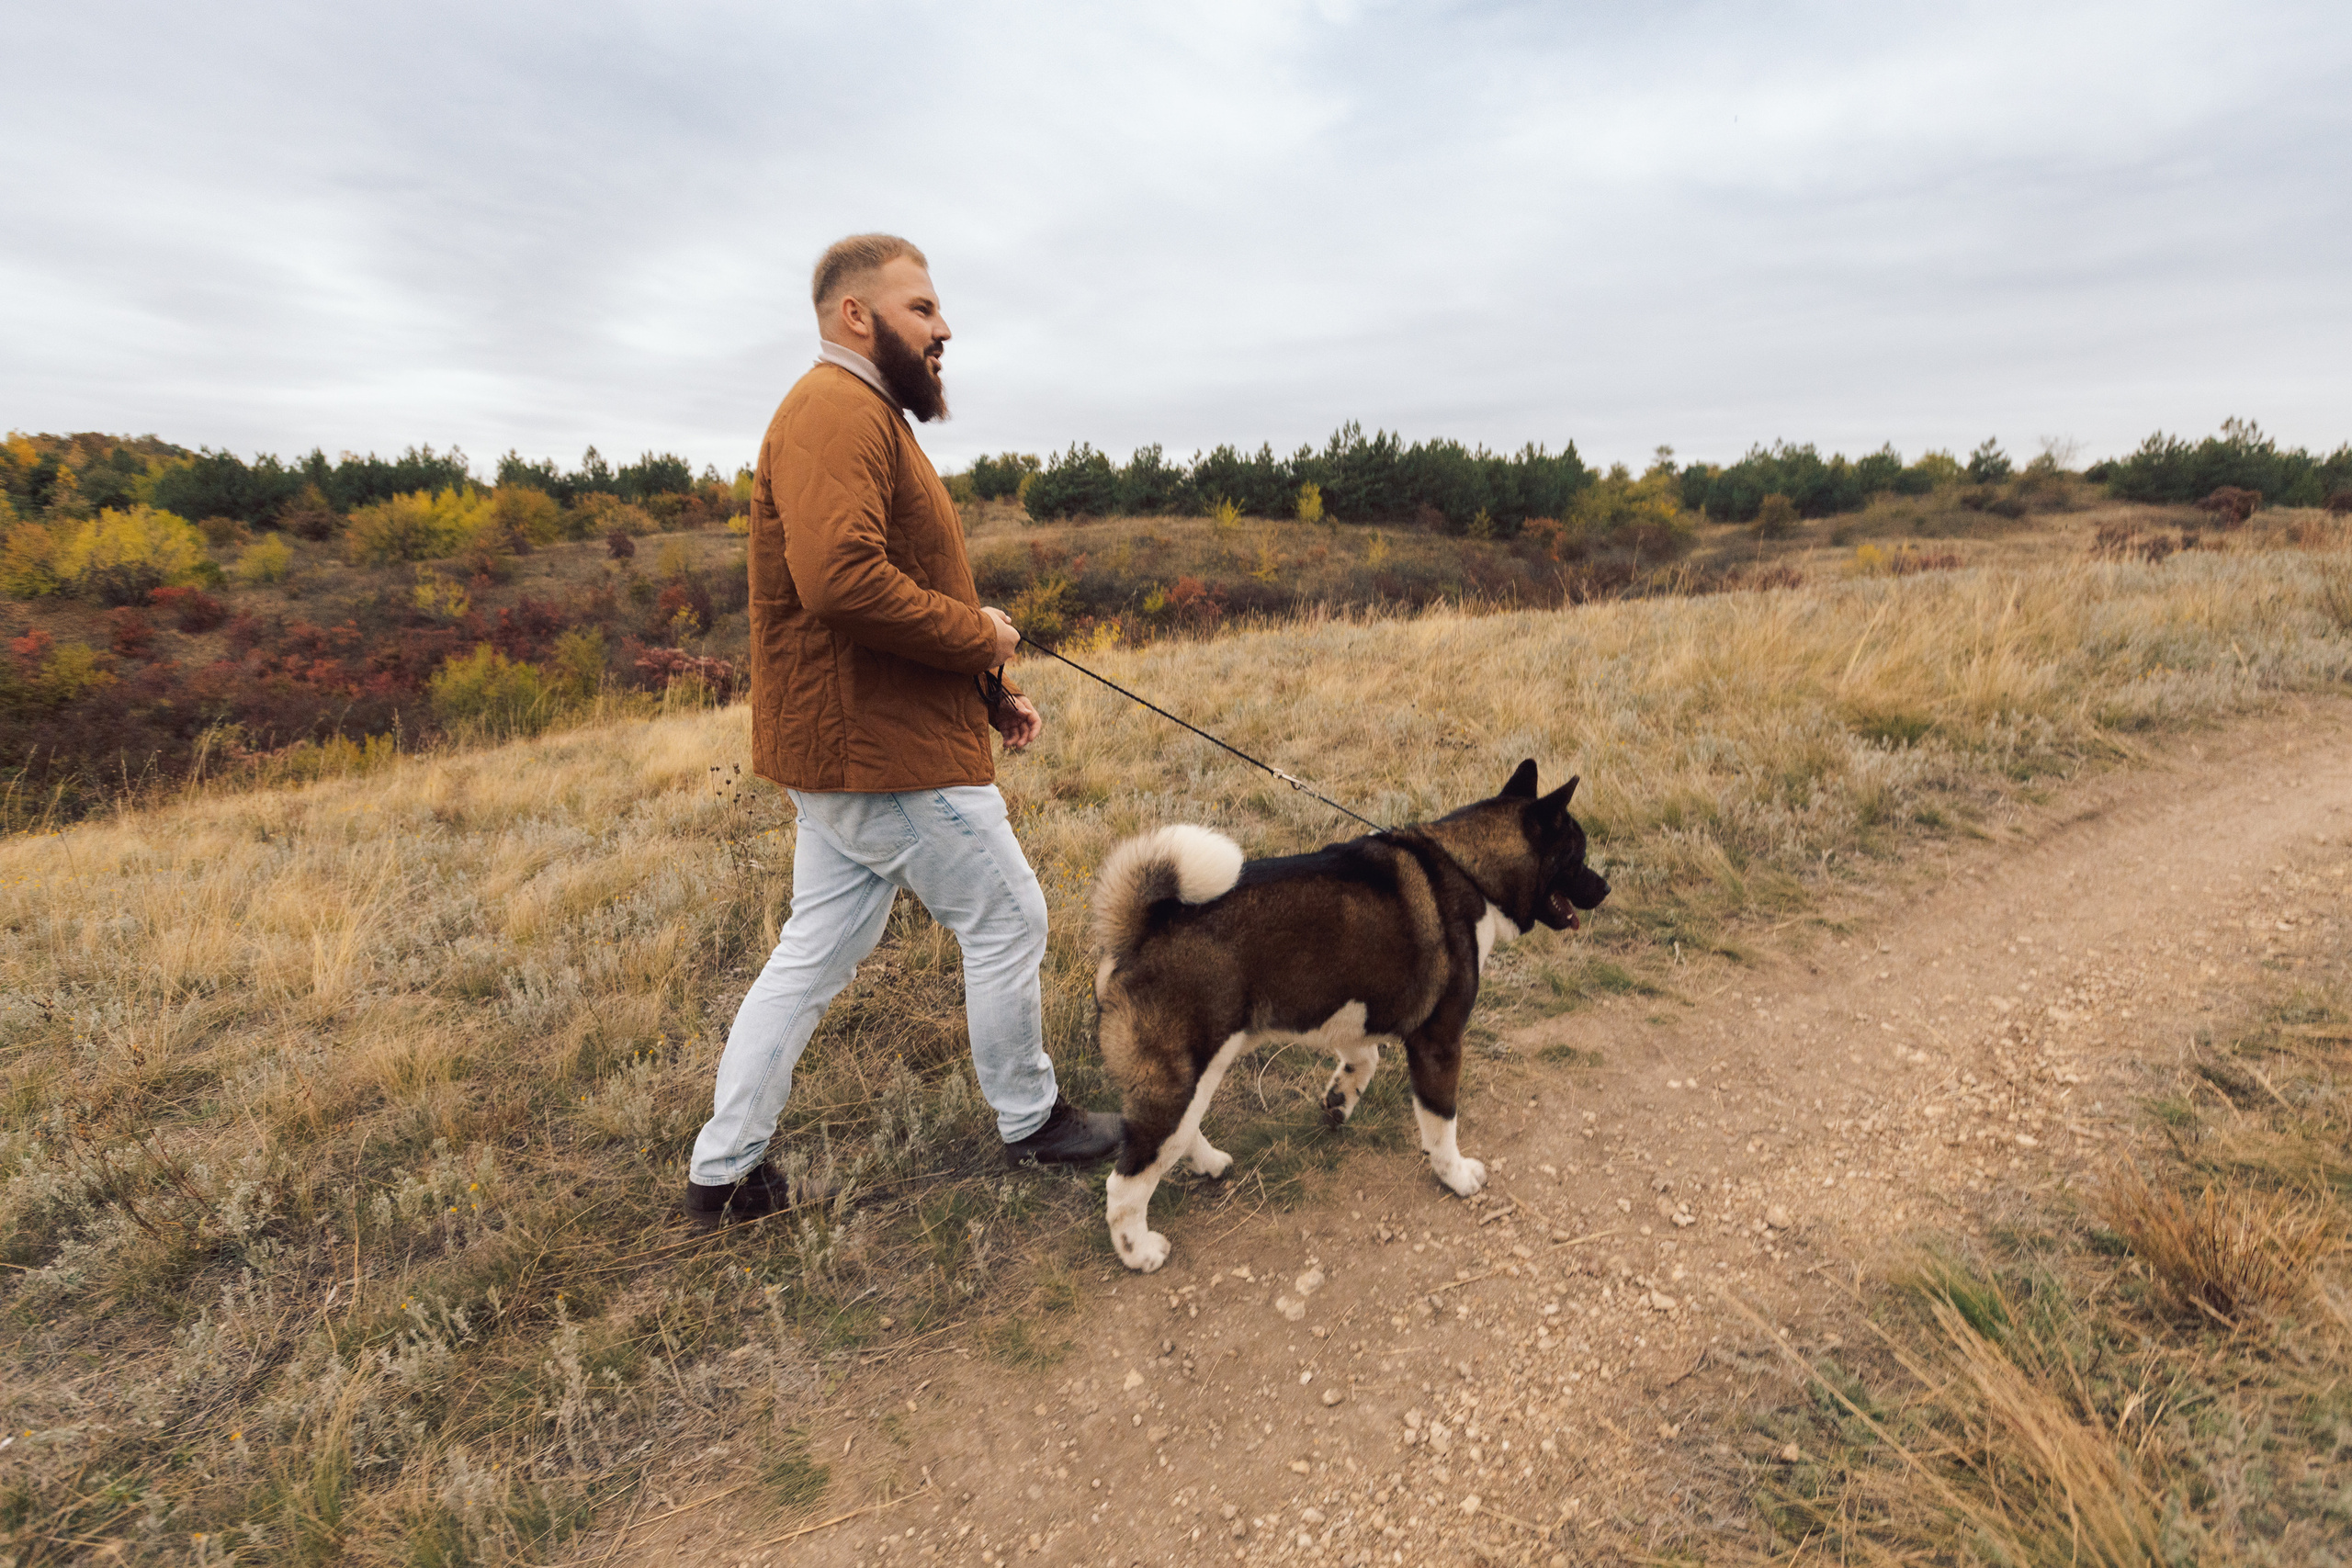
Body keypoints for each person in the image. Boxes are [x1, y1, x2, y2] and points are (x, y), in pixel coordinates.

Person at [684, 233, 1119, 1230]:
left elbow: (890, 587)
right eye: (920, 308)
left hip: (862, 745)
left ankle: (722, 1175)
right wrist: (982, 632)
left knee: (813, 952)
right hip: (880, 756)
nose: (943, 327)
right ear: (854, 315)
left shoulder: (861, 414)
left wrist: (983, 685)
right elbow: (841, 585)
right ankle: (1034, 1122)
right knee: (1009, 920)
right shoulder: (834, 410)